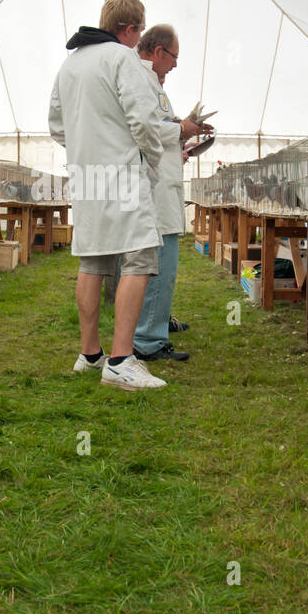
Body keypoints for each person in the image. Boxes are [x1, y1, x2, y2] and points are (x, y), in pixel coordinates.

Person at [48, 0, 201, 389]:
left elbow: (56, 127)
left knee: (93, 262)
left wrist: (88, 149)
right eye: (138, 33)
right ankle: (121, 359)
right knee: (140, 259)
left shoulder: (69, 65)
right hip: (123, 176)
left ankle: (90, 353)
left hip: (87, 176)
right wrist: (150, 161)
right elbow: (146, 123)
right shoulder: (122, 59)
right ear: (131, 29)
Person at [132, 24, 200, 362]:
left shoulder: (152, 83)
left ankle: (154, 326)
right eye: (173, 57)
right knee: (160, 262)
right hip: (155, 187)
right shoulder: (141, 79)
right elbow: (146, 128)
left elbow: (159, 129)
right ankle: (147, 339)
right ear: (158, 52)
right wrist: (181, 128)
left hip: (164, 182)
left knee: (164, 262)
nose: (174, 65)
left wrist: (183, 136)